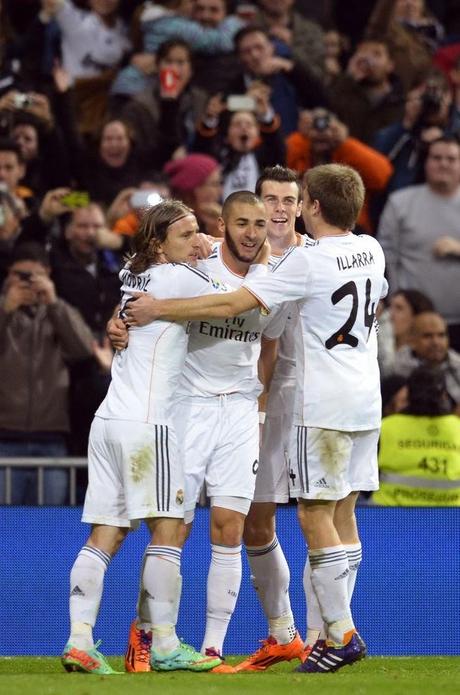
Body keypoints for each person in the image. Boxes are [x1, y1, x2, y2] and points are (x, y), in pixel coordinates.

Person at [137, 163, 388, 673]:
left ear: (308, 206)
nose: (274, 212)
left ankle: (337, 634)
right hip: (366, 399)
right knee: (342, 515)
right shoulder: (373, 248)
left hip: (316, 403)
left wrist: (157, 308)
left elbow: (234, 301)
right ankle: (316, 633)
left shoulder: (306, 263)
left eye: (289, 200)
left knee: (314, 515)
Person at [114, 190, 290, 671]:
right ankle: (145, 634)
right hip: (186, 408)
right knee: (175, 526)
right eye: (242, 224)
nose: (252, 233)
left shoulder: (271, 278)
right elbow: (136, 296)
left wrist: (259, 404)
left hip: (237, 412)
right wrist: (119, 321)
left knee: (229, 527)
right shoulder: (195, 263)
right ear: (223, 224)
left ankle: (212, 649)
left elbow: (265, 341)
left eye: (260, 224)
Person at [61, 199, 225, 675]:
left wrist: (117, 319)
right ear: (158, 244)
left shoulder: (135, 273)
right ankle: (166, 643)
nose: (197, 241)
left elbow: (129, 295)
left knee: (106, 533)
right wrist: (214, 250)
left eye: (199, 230)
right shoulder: (179, 277)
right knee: (171, 528)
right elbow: (232, 298)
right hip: (148, 424)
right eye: (186, 235)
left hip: (110, 419)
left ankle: (79, 641)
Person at [0, 242, 94, 504]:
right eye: (21, 275)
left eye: (35, 275)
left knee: (50, 524)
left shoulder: (60, 312)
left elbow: (84, 349)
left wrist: (53, 304)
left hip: (52, 438)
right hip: (4, 439)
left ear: (48, 273)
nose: (28, 282)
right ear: (8, 274)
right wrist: (5, 310)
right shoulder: (2, 310)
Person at [378, 136, 460, 351]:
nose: (443, 163)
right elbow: (386, 257)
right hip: (413, 326)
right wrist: (397, 307)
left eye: (451, 159)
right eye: (436, 158)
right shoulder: (400, 202)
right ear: (426, 163)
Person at [286, 107, 393, 234]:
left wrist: (344, 142)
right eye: (315, 125)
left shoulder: (347, 152)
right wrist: (303, 137)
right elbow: (280, 160)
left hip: (347, 227)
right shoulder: (300, 148)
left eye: (327, 125)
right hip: (302, 225)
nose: (321, 131)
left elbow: (383, 175)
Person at [374, 366, 460, 506]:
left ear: (408, 393)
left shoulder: (386, 426)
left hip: (388, 514)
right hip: (452, 517)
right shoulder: (457, 428)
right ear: (444, 395)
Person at [390, 311, 460, 412]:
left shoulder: (457, 364)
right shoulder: (396, 371)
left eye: (441, 335)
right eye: (427, 336)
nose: (436, 342)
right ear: (412, 340)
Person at [377, 288, 435, 378]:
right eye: (390, 307)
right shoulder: (374, 346)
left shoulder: (424, 353)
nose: (389, 314)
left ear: (417, 317)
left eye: (399, 308)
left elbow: (390, 374)